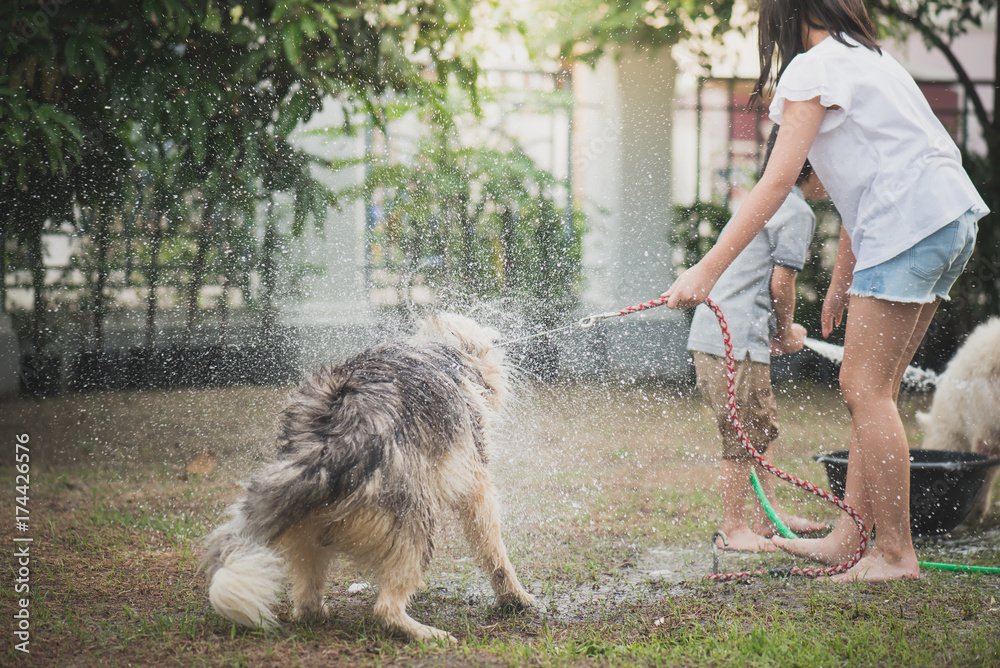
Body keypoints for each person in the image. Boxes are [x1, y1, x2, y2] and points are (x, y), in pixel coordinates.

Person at [663, 0, 988, 581]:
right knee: (878, 389)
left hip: (908, 223)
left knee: (865, 389)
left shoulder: (812, 68)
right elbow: (861, 180)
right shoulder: (870, 58)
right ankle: (850, 538)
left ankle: (893, 551)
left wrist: (705, 270)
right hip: (947, 216)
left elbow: (778, 181)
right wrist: (842, 282)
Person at [688, 125, 827, 553]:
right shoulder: (798, 211)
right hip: (736, 342)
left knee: (758, 430)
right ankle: (734, 529)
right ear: (814, 166)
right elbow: (781, 285)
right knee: (742, 436)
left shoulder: (765, 200)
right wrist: (785, 333)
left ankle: (768, 517)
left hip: (721, 337)